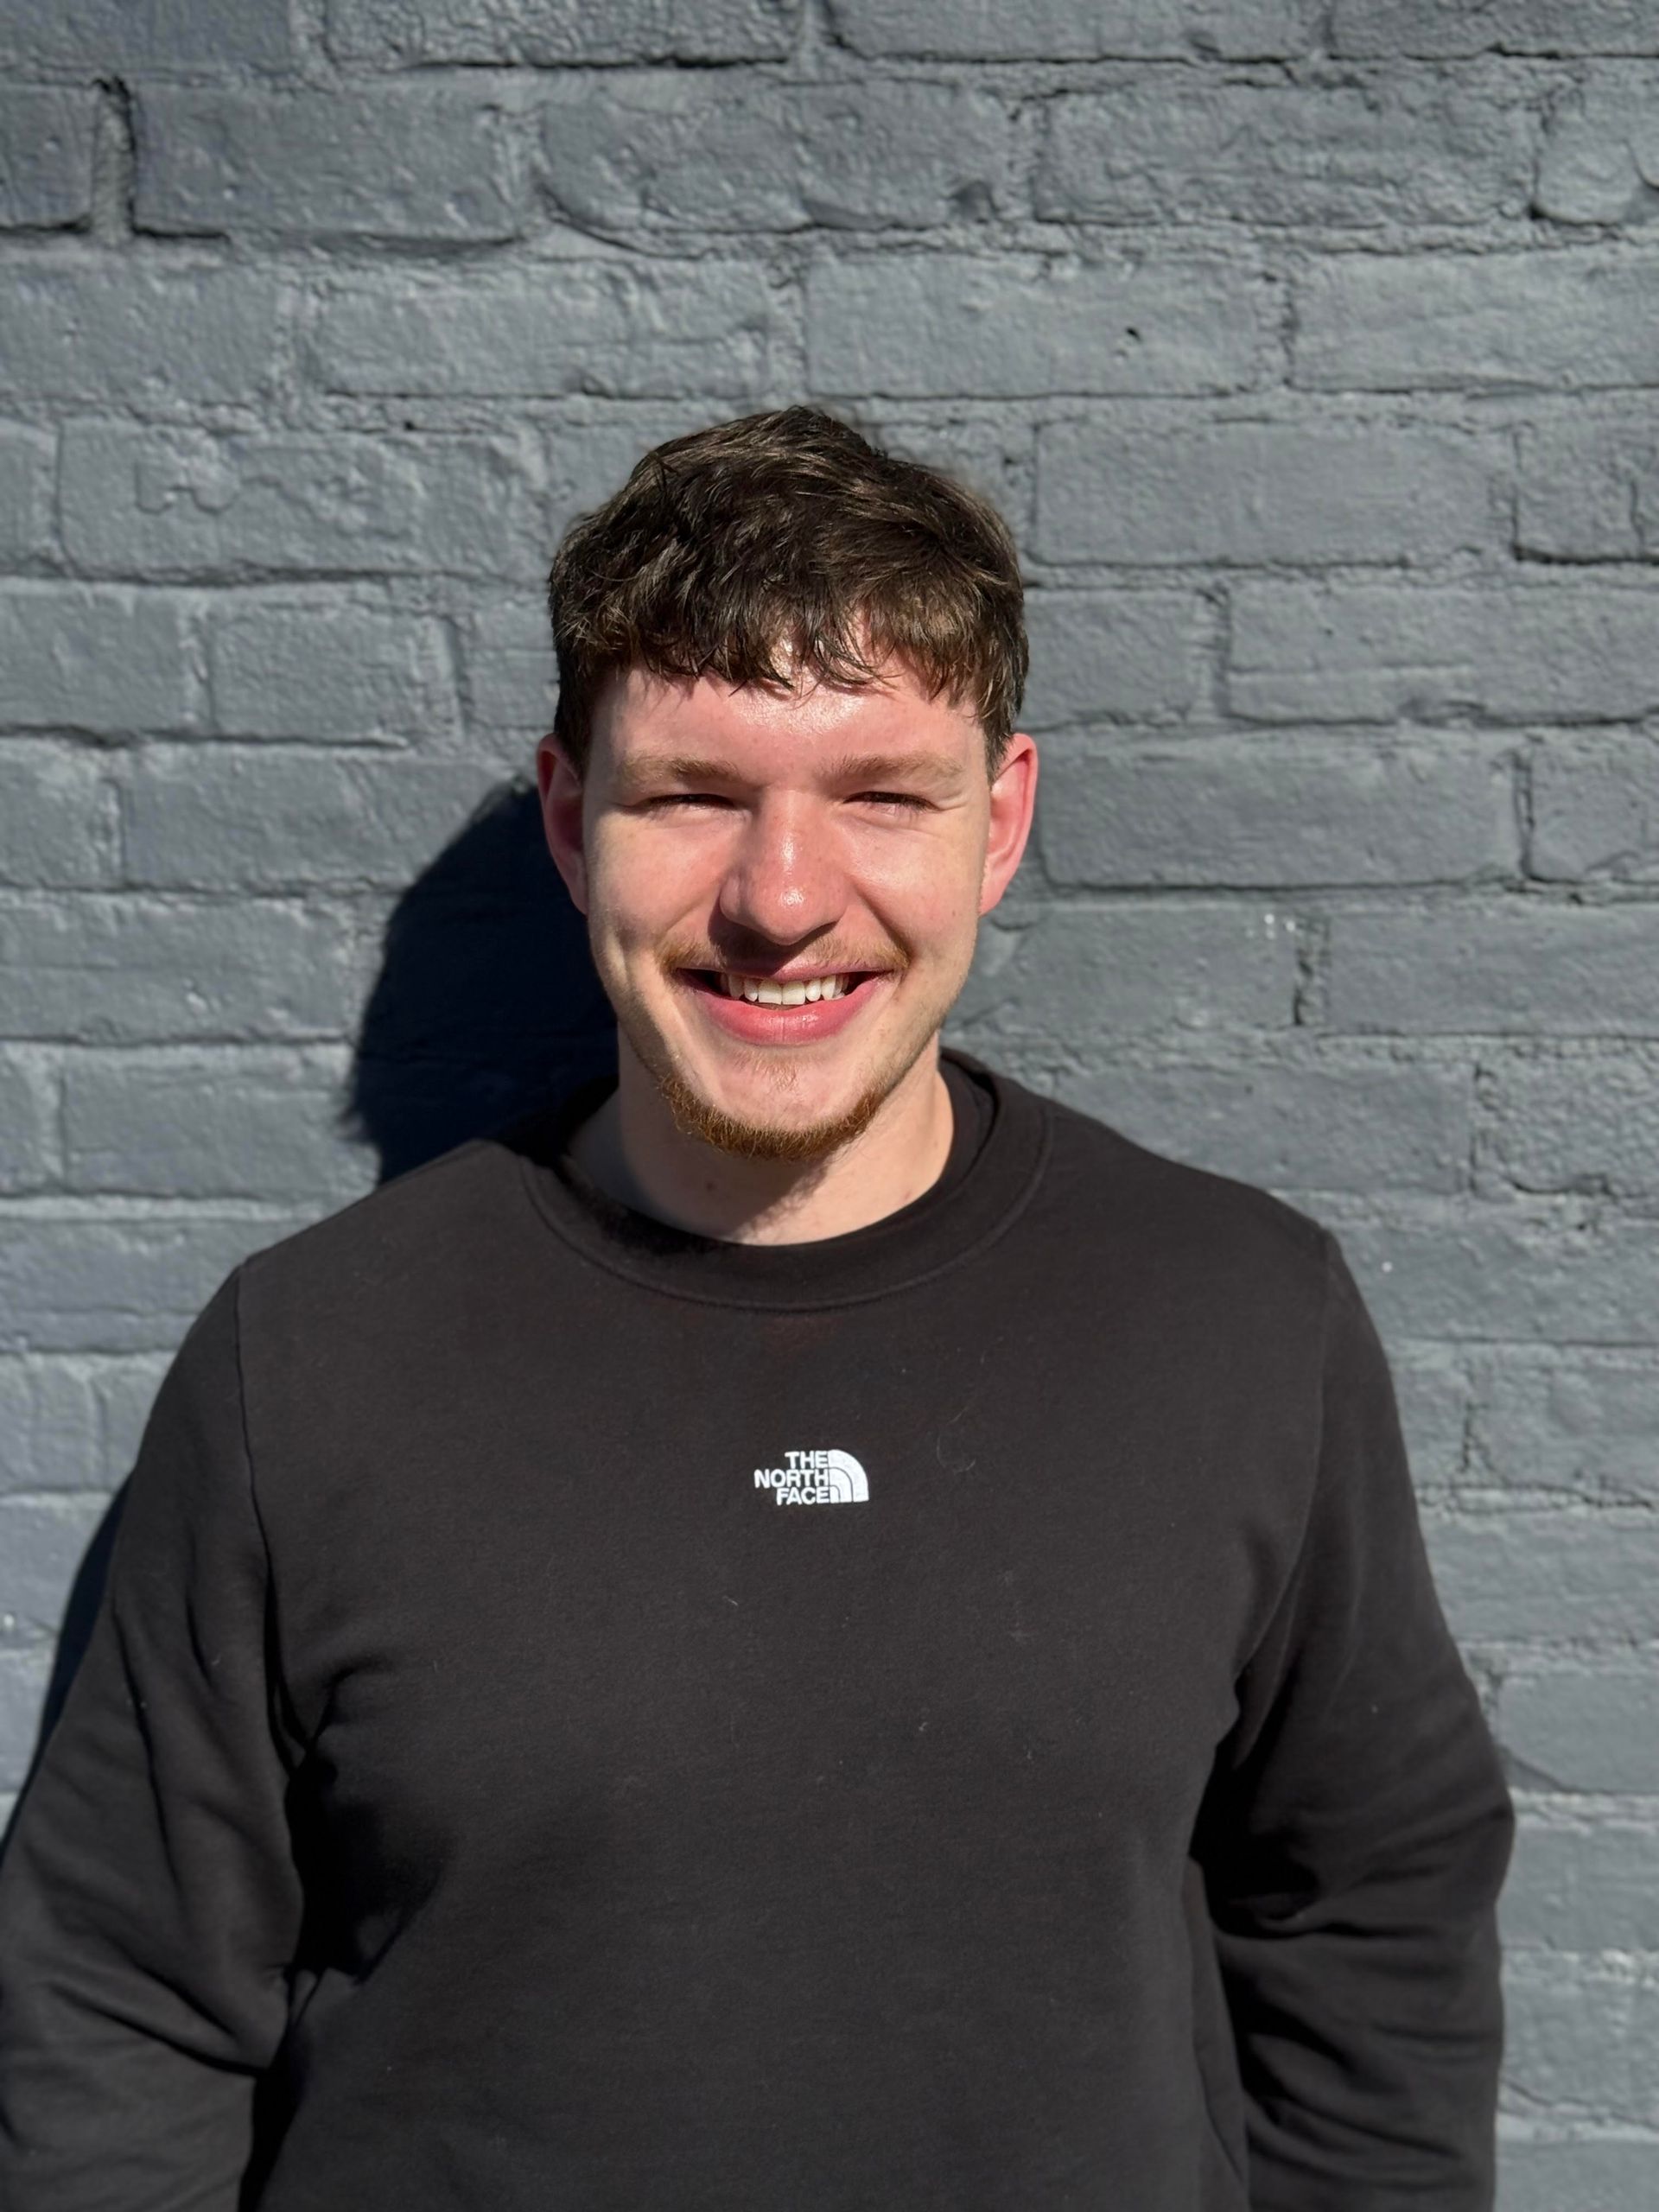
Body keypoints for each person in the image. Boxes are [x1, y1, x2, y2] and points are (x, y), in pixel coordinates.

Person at [0, 407, 1513, 2209]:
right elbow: (114, 2005)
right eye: (695, 794)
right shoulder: (312, 1359)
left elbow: (1369, 1926)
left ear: (1001, 819)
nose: (783, 900)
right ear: (572, 821)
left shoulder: (1242, 1318)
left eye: (882, 793)